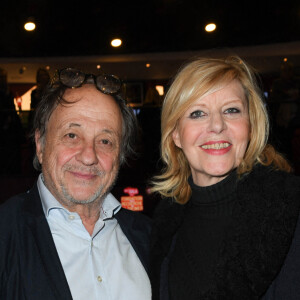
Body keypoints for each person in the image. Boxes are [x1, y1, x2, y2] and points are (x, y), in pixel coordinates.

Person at [150, 56, 300, 300]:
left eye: (231, 110)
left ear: (250, 125)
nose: (217, 126)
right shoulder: (162, 228)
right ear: (176, 134)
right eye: (197, 113)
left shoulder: (292, 210)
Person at [0, 68, 151, 300]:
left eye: (105, 140)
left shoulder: (150, 237)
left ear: (120, 156)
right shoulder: (6, 234)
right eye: (71, 135)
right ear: (40, 145)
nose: (89, 156)